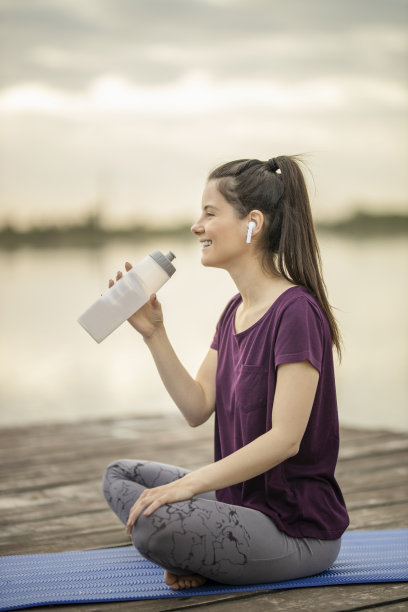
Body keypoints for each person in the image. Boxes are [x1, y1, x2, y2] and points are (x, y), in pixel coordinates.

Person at [102, 156, 349, 590]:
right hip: (239, 501)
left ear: (252, 223)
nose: (197, 226)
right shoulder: (234, 311)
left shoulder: (296, 312)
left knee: (155, 526)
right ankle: (205, 551)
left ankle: (200, 550)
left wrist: (190, 486)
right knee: (120, 477)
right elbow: (197, 407)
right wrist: (154, 334)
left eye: (210, 213)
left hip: (293, 527)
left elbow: (285, 439)